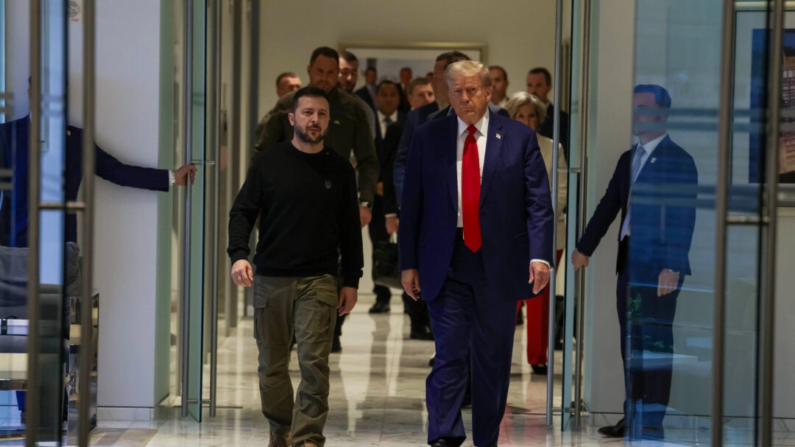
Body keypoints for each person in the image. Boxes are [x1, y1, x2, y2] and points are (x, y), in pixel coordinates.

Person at [0, 77, 197, 419]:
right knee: (22, 330)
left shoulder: (75, 139)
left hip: (61, 251)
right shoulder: (6, 135)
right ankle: (31, 409)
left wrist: (170, 177)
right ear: (30, 92)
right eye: (39, 89)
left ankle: (50, 404)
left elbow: (115, 171)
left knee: (58, 328)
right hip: (14, 250)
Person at [399, 60, 554, 447]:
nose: (465, 98)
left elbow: (538, 203)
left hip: (499, 265)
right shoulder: (428, 135)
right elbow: (412, 203)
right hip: (445, 260)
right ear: (446, 93)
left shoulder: (518, 137)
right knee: (449, 354)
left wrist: (540, 256)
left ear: (488, 92)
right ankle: (445, 436)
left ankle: (486, 438)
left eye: (472, 90)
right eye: (456, 91)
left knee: (492, 360)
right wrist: (408, 263)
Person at [228, 86, 363, 447]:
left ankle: (307, 439)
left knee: (314, 364)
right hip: (271, 278)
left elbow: (351, 229)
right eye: (307, 113)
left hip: (319, 279)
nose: (314, 120)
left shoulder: (340, 169)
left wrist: (352, 279)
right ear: (292, 118)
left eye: (321, 114)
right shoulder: (268, 163)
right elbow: (243, 212)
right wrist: (239, 254)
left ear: (328, 121)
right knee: (271, 367)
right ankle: (280, 427)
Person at [571, 85, 697, 441]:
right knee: (631, 343)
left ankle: (653, 421)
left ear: (662, 114)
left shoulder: (679, 160)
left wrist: (671, 266)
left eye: (643, 108)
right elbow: (608, 207)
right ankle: (633, 415)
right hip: (630, 265)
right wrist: (584, 248)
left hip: (660, 269)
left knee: (655, 345)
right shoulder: (629, 159)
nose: (636, 115)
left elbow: (682, 217)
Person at [255, 46, 378, 230]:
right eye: (319, 71)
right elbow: (262, 154)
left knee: (331, 258)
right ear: (309, 70)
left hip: (333, 202)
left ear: (337, 74)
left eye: (330, 72)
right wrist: (258, 199)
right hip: (288, 200)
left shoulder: (352, 109)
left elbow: (368, 160)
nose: (324, 78)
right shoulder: (288, 104)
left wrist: (365, 202)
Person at [394, 51, 508, 207]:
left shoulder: (496, 115)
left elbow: (504, 170)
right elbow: (416, 166)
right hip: (440, 213)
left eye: (437, 79)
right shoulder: (432, 119)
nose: (433, 84)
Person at [505, 92, 568, 375]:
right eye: (521, 115)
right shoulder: (500, 145)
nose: (527, 120)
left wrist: (538, 218)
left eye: (532, 115)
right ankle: (500, 353)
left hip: (545, 232)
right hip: (508, 234)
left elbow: (562, 190)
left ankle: (537, 356)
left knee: (540, 299)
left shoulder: (553, 148)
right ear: (512, 117)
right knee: (506, 298)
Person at [526, 67, 570, 155]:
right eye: (530, 85)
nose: (533, 91)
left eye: (538, 85)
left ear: (548, 87)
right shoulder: (517, 117)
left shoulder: (562, 119)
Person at [338, 51, 376, 138]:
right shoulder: (321, 103)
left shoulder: (363, 109)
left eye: (353, 73)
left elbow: (367, 147)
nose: (349, 78)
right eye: (344, 73)